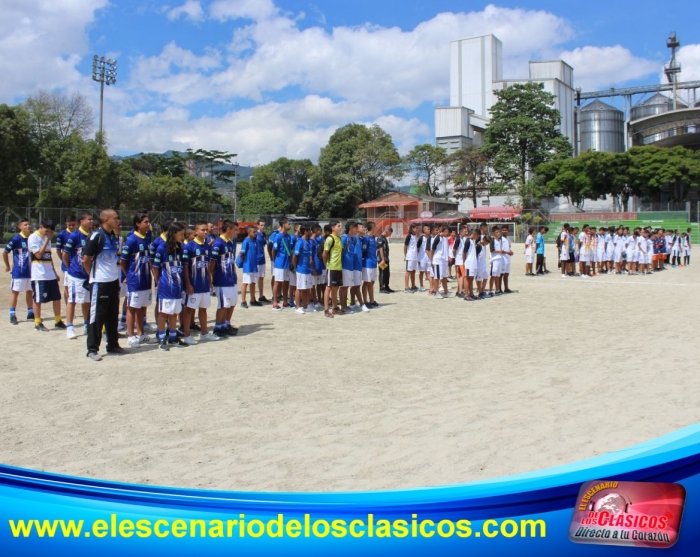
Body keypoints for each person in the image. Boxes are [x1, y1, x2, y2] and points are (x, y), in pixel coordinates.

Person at [83, 209, 123, 361]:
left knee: (112, 315)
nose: (118, 220)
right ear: (106, 220)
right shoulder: (96, 236)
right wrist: (92, 277)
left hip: (113, 281)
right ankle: (92, 349)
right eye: (115, 218)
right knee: (97, 316)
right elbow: (86, 259)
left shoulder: (113, 236)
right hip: (100, 282)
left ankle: (113, 345)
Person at [152, 222, 188, 351]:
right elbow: (155, 268)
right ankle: (162, 338)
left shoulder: (180, 248)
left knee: (174, 312)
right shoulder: (162, 248)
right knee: (164, 313)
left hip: (177, 287)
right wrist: (159, 282)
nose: (183, 237)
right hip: (166, 287)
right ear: (173, 234)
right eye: (181, 234)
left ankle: (173, 336)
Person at [120, 211, 153, 348]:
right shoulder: (132, 239)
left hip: (145, 279)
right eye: (145, 222)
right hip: (135, 280)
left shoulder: (146, 238)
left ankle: (141, 333)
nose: (148, 224)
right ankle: (131, 336)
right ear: (137, 224)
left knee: (142, 308)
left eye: (148, 221)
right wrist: (128, 275)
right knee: (132, 308)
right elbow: (123, 261)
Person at [182, 222, 218, 342]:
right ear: (196, 231)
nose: (205, 232)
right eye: (202, 230)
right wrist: (188, 283)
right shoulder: (189, 247)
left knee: (203, 309)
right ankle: (187, 335)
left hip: (204, 284)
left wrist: (210, 279)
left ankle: (204, 333)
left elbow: (207, 265)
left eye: (206, 230)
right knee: (189, 310)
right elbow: (185, 267)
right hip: (194, 284)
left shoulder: (207, 247)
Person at [27, 219, 65, 332]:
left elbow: (49, 257)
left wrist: (54, 272)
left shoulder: (46, 239)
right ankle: (37, 322)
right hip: (39, 274)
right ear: (41, 226)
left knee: (56, 297)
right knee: (38, 299)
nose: (48, 233)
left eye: (50, 232)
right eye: (46, 230)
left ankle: (58, 320)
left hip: (49, 274)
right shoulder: (33, 238)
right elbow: (38, 255)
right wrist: (47, 239)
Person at [62, 211, 93, 339]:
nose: (91, 221)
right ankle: (70, 326)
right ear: (81, 221)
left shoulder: (91, 236)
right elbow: (65, 254)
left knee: (86, 301)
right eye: (89, 219)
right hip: (76, 274)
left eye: (92, 220)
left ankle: (86, 324)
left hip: (88, 275)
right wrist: (70, 268)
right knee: (72, 300)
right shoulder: (75, 235)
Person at [210, 220, 239, 336]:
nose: (237, 232)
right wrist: (210, 278)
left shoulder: (230, 242)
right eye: (235, 230)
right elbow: (212, 263)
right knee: (223, 304)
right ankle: (218, 327)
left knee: (232, 302)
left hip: (231, 278)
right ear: (228, 229)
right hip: (222, 279)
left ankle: (226, 324)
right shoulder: (218, 243)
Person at [3, 218, 34, 325]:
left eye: (29, 224)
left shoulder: (32, 238)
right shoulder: (16, 239)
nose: (28, 226)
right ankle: (12, 314)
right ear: (20, 226)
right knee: (15, 292)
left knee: (30, 291)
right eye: (25, 225)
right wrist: (7, 266)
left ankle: (30, 312)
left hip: (31, 271)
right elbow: (5, 252)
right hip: (19, 271)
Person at [292, 226, 315, 314]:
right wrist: (295, 267)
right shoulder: (300, 242)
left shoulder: (309, 242)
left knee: (306, 288)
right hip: (301, 269)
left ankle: (306, 305)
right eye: (309, 230)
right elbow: (295, 256)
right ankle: (298, 306)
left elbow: (310, 257)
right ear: (305, 231)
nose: (311, 232)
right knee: (299, 288)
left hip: (308, 269)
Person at [322, 220, 343, 318]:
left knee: (336, 288)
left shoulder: (339, 238)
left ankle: (335, 308)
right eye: (338, 226)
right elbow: (324, 254)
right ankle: (326, 309)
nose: (340, 227)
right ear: (333, 227)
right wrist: (326, 265)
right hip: (332, 267)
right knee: (328, 288)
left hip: (339, 267)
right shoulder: (330, 239)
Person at [271, 218, 292, 311]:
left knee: (286, 282)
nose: (289, 225)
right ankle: (275, 302)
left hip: (287, 263)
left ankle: (285, 302)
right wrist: (275, 261)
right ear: (283, 225)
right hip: (279, 263)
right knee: (277, 282)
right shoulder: (278, 236)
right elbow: (273, 251)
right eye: (288, 224)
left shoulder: (288, 236)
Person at [239, 225, 262, 308]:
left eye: (256, 232)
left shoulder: (254, 241)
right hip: (248, 266)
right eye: (254, 232)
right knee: (245, 283)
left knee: (253, 283)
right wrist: (245, 262)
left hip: (254, 266)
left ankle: (253, 299)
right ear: (249, 232)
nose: (255, 233)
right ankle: (243, 301)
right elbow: (242, 254)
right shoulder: (246, 241)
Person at [56, 215, 77, 303]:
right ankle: (68, 304)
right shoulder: (62, 234)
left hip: (77, 265)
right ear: (66, 224)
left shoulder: (78, 233)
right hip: (67, 266)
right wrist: (64, 260)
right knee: (67, 286)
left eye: (73, 225)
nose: (71, 227)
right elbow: (58, 249)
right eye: (69, 225)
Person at [428, 225, 450, 299]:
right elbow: (432, 249)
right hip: (437, 260)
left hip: (443, 260)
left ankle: (446, 292)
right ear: (444, 231)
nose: (448, 234)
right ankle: (436, 292)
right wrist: (431, 260)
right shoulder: (437, 238)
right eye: (447, 233)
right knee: (436, 277)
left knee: (444, 276)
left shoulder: (444, 238)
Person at [361, 222, 379, 308]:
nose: (376, 228)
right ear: (372, 227)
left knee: (372, 282)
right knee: (366, 282)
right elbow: (363, 250)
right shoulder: (366, 238)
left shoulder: (373, 237)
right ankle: (365, 301)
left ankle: (372, 300)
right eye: (375, 227)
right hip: (367, 263)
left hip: (373, 262)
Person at [255, 219, 270, 303]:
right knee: (254, 279)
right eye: (261, 225)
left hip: (262, 259)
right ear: (257, 225)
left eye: (263, 225)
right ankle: (253, 297)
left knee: (261, 278)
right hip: (256, 259)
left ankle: (261, 295)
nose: (263, 226)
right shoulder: (255, 234)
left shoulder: (263, 234)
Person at [403, 224, 420, 293]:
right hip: (410, 256)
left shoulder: (415, 236)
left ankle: (413, 286)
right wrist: (405, 255)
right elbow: (405, 246)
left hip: (415, 256)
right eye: (416, 228)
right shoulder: (409, 236)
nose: (417, 229)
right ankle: (406, 287)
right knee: (408, 271)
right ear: (412, 228)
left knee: (413, 271)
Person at [377, 227, 393, 293]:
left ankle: (386, 286)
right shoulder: (380, 238)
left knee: (387, 273)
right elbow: (380, 249)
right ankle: (382, 287)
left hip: (386, 258)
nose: (390, 235)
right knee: (382, 273)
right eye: (389, 233)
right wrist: (383, 259)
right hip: (381, 259)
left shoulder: (384, 238)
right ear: (386, 231)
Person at [500, 225, 514, 293]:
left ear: (508, 231)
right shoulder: (500, 239)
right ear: (501, 230)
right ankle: (499, 288)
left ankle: (506, 288)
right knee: (501, 274)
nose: (504, 231)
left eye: (506, 230)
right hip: (503, 258)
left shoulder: (508, 238)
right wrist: (507, 252)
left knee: (507, 274)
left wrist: (510, 251)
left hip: (508, 258)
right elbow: (500, 250)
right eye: (503, 230)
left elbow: (508, 247)